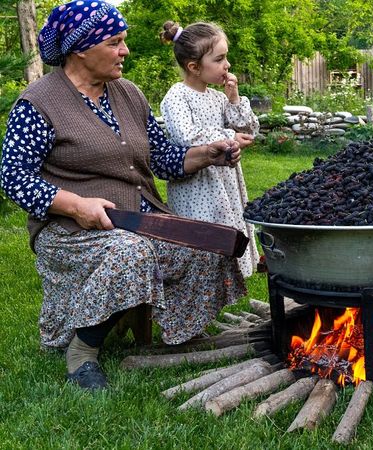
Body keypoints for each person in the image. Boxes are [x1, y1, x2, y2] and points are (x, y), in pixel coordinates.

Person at [0, 1, 246, 390]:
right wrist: (76, 205)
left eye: (124, 41)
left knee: (210, 241)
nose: (125, 51)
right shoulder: (39, 102)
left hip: (141, 220)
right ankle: (83, 350)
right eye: (116, 42)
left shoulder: (128, 93)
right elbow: (13, 176)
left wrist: (208, 153)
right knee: (130, 253)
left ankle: (177, 330)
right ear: (82, 48)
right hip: (70, 231)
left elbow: (164, 159)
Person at [159, 21, 260, 277]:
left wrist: (234, 98)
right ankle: (200, 290)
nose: (227, 65)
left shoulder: (218, 98)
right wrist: (229, 136)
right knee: (204, 236)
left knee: (227, 231)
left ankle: (225, 288)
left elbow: (247, 128)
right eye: (219, 59)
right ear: (194, 67)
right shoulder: (177, 96)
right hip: (197, 183)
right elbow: (187, 137)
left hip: (224, 181)